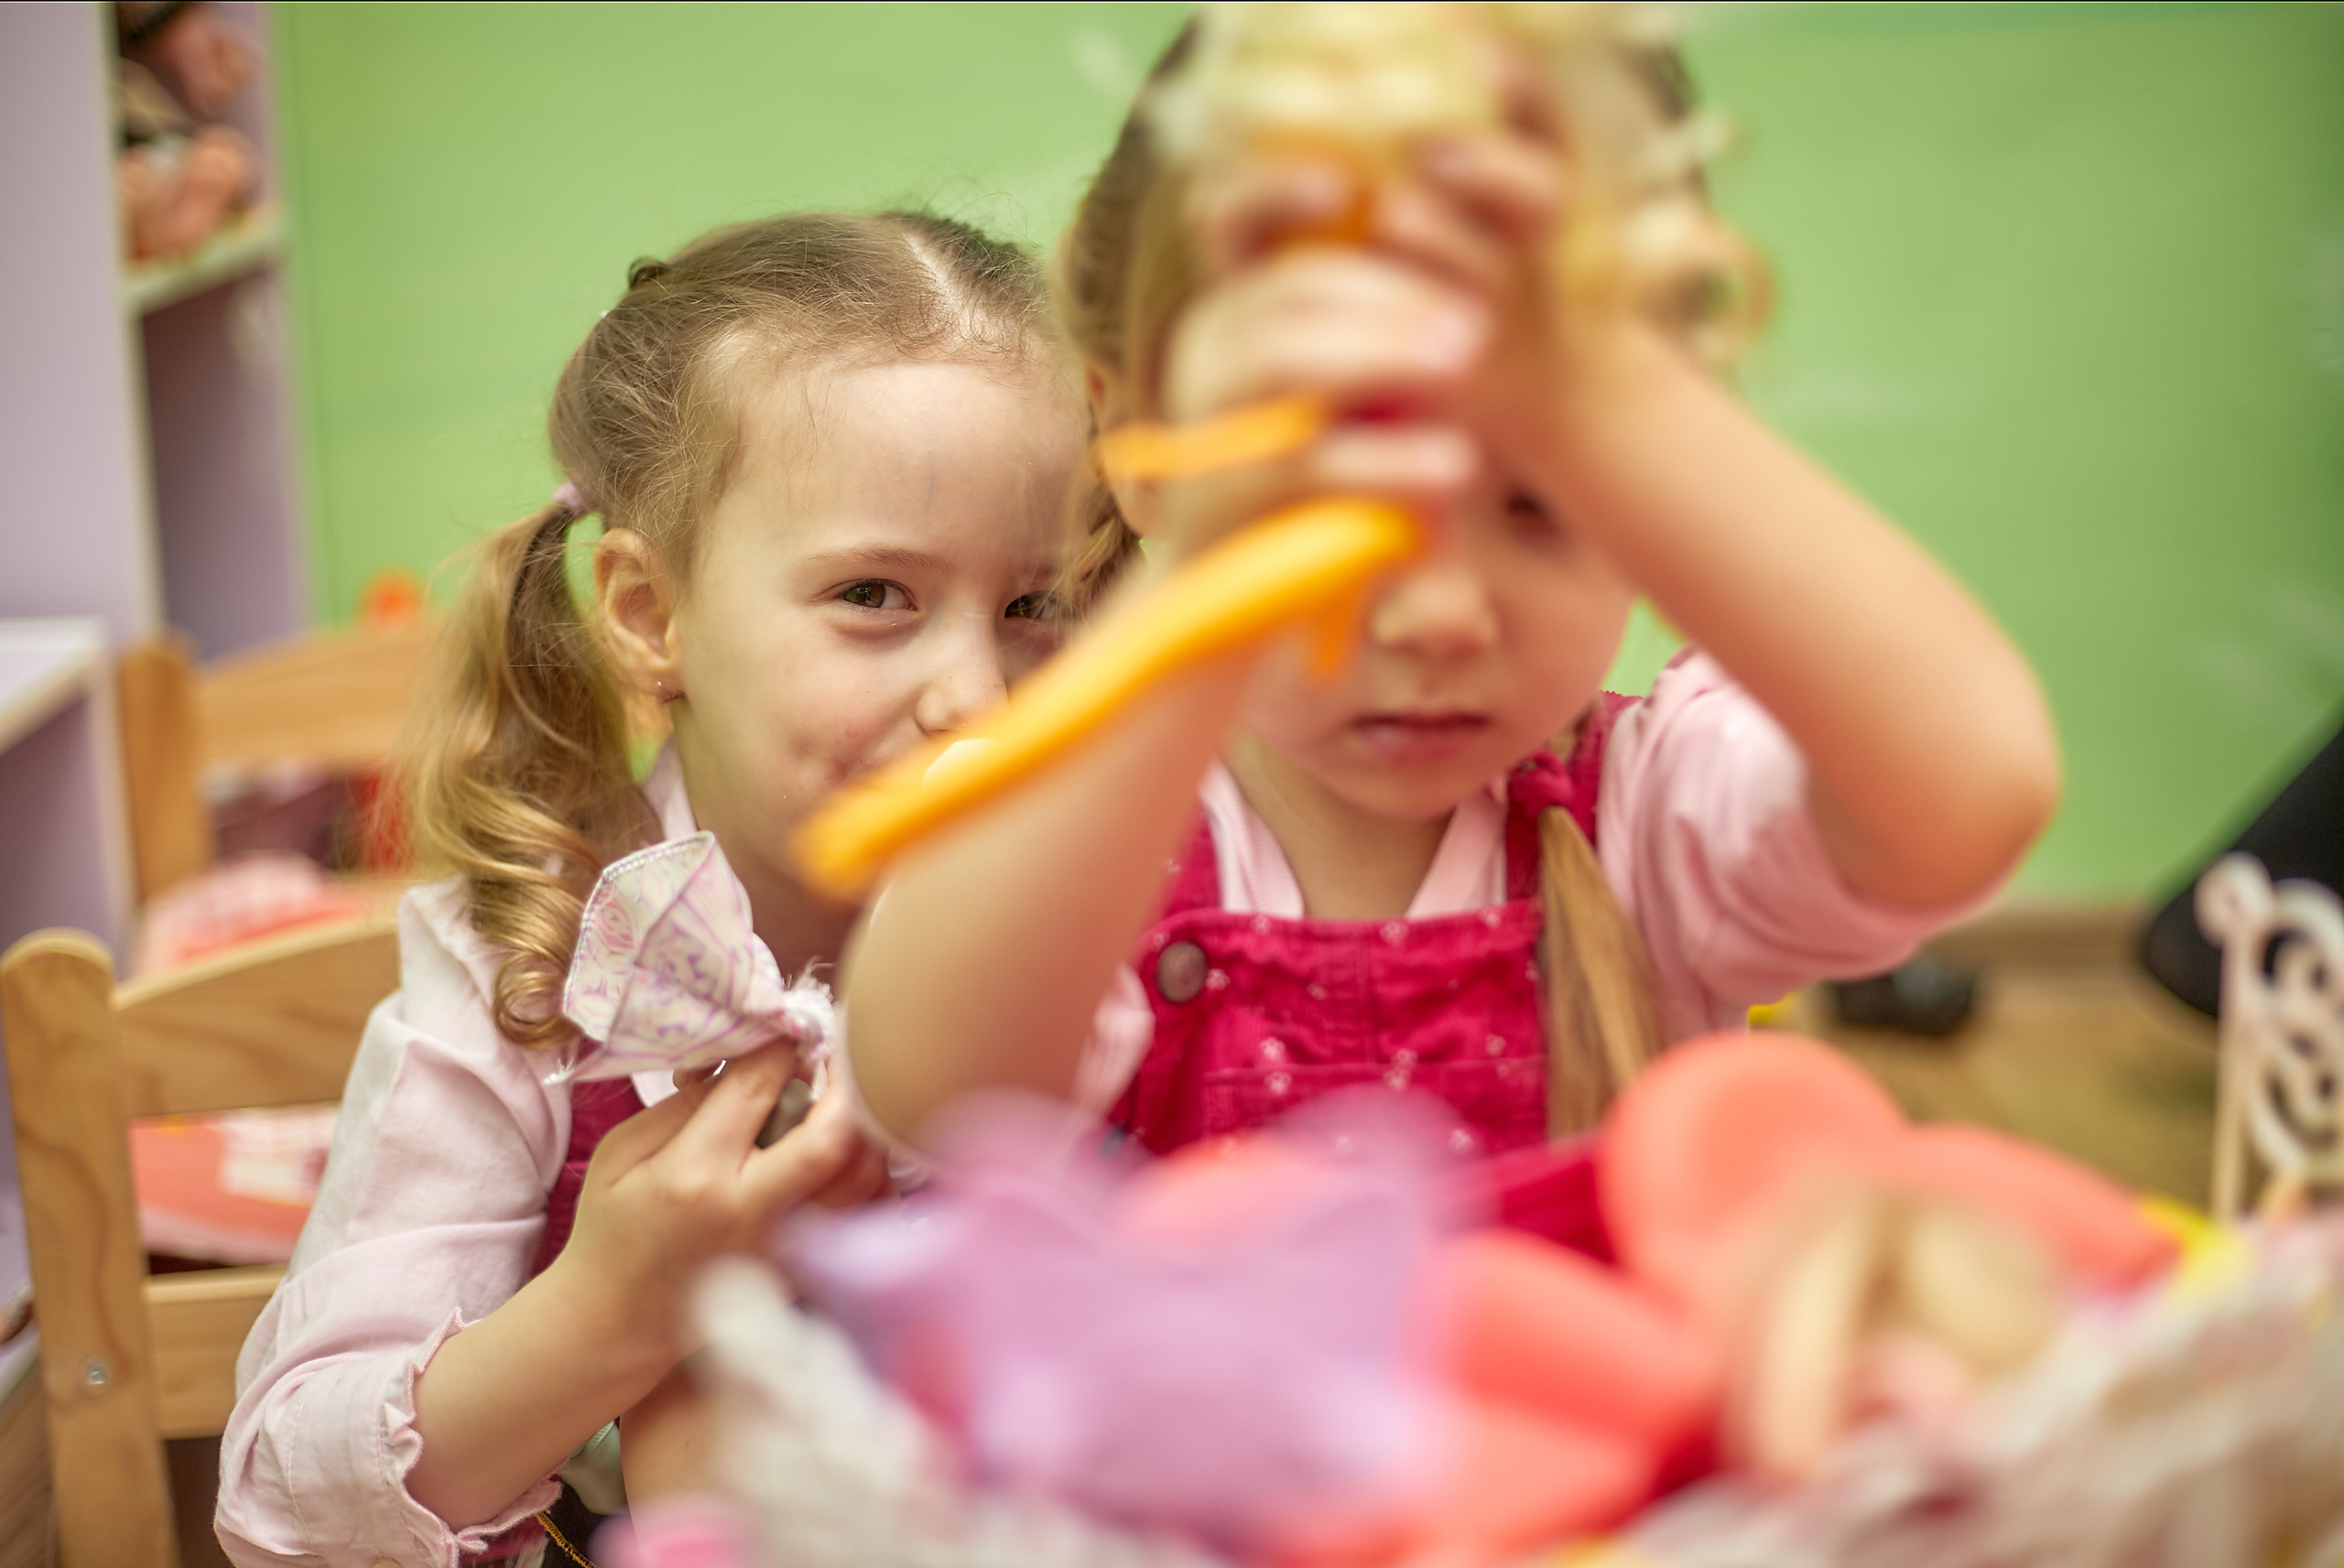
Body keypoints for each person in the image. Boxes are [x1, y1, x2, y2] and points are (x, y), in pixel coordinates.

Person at [842, 26, 2061, 1164]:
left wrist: (1602, 384)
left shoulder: (1650, 815)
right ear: (1135, 440)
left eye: (1539, 500)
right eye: (1330, 513)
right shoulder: (1062, 818)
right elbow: (939, 1092)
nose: (1438, 617)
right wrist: (1215, 579)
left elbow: (1973, 790)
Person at [216, 210, 1084, 1566]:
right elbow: (286, 1499)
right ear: (649, 614)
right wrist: (618, 1299)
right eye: (875, 593)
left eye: (1038, 606)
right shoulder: (519, 959)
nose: (975, 696)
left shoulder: (1133, 919)